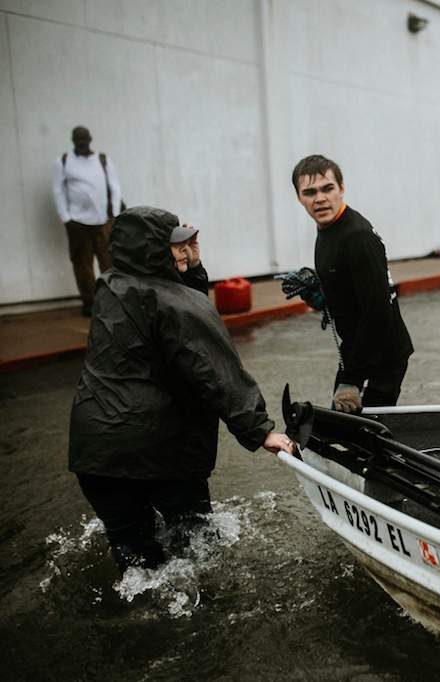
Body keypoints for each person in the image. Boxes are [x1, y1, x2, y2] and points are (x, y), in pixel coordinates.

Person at [69, 206, 294, 571]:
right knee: (197, 547)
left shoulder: (111, 285)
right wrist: (260, 430)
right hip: (158, 451)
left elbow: (166, 303)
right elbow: (215, 371)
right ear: (153, 251)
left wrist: (190, 268)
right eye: (174, 246)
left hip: (94, 452)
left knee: (137, 561)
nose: (182, 251)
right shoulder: (176, 303)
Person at [291, 154, 413, 411]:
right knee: (346, 427)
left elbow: (377, 313)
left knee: (366, 435)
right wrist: (324, 295)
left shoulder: (356, 236)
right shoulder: (328, 229)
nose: (320, 198)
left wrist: (352, 378)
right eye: (310, 192)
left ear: (342, 188)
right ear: (299, 197)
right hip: (357, 348)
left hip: (382, 354)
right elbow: (350, 289)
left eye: (327, 188)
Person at [52, 126, 122, 316]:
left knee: (108, 261)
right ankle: (90, 303)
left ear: (90, 139)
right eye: (78, 139)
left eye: (84, 139)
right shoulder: (63, 161)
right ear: (73, 140)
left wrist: (113, 215)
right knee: (82, 264)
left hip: (102, 221)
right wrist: (66, 218)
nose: (81, 142)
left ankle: (113, 300)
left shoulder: (102, 160)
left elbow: (114, 187)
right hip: (77, 223)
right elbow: (58, 191)